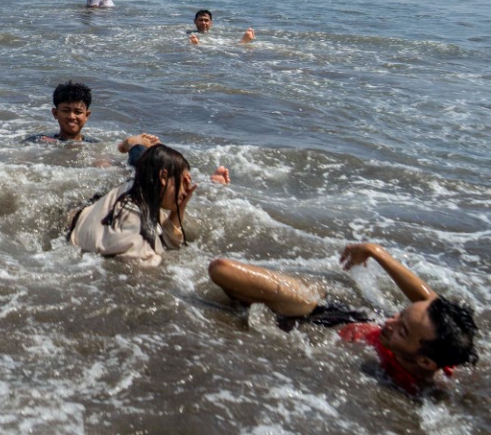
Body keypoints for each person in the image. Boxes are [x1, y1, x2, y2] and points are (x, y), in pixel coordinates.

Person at [208, 243, 479, 395]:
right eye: (400, 315)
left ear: (426, 362)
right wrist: (375, 251)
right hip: (323, 310)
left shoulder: (411, 385)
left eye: (402, 331)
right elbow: (429, 300)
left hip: (313, 329)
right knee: (223, 271)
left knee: (233, 291)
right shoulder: (435, 333)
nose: (390, 322)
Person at [67, 144, 226, 266]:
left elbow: (169, 239)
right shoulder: (137, 228)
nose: (187, 189)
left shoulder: (133, 191)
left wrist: (180, 207)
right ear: (163, 176)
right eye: (184, 181)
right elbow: (143, 272)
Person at [27, 81, 96, 143]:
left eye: (78, 112)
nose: (71, 117)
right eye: (66, 111)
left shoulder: (95, 147)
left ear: (86, 115)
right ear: (55, 113)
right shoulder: (38, 142)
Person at [188, 9, 254, 45]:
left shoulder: (218, 33)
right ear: (195, 22)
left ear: (211, 22)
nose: (203, 23)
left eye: (206, 20)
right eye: (200, 20)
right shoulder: (189, 33)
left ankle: (243, 41)